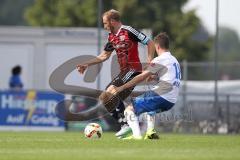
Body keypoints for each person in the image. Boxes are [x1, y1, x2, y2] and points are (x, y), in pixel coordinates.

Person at [77, 9, 157, 139]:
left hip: (133, 70)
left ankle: (127, 125)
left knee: (111, 91)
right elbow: (104, 55)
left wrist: (149, 64)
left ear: (113, 21)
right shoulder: (111, 36)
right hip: (124, 72)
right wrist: (87, 64)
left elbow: (150, 42)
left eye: (105, 23)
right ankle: (128, 123)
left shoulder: (129, 31)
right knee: (105, 98)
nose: (104, 26)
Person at [107, 32, 181, 139]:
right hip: (171, 100)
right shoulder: (174, 60)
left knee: (129, 110)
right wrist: (154, 77)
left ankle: (136, 136)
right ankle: (150, 132)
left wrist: (121, 88)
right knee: (150, 109)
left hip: (162, 95)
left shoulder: (160, 59)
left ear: (158, 46)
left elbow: (142, 77)